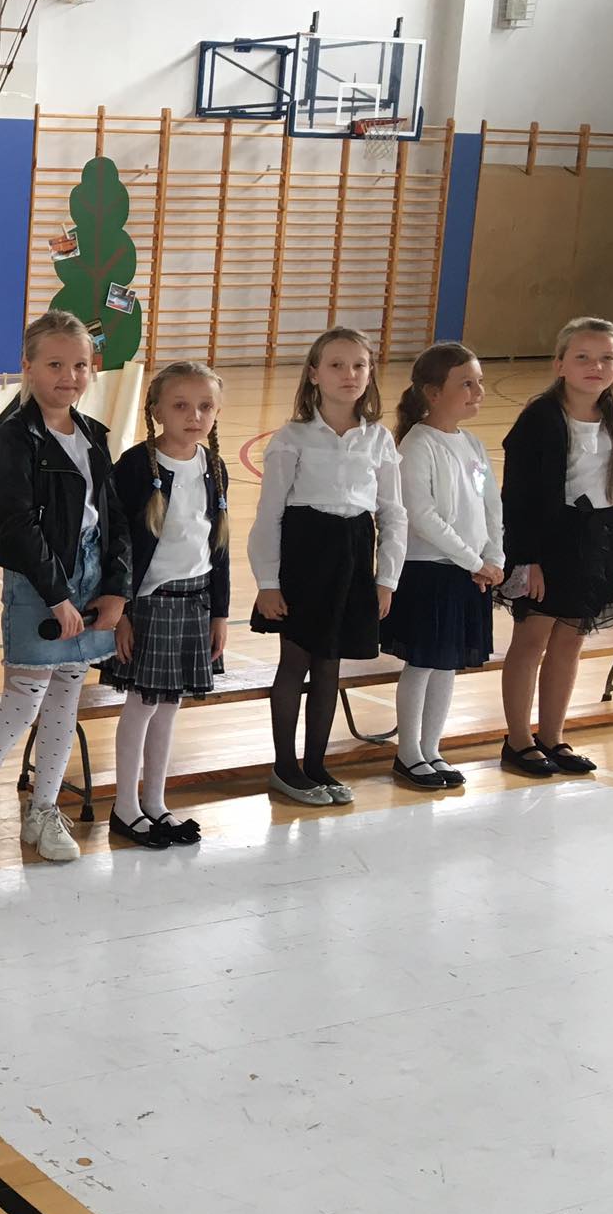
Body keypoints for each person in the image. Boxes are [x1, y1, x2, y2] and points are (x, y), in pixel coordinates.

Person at [0, 312, 130, 868]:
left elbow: (114, 517)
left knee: (66, 700)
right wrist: (57, 597)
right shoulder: (16, 437)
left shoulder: (93, 435)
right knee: (22, 705)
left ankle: (43, 810)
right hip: (39, 579)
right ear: (27, 365)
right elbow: (19, 525)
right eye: (55, 364)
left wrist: (116, 589)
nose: (69, 376)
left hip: (89, 575)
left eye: (80, 365)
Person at [249, 326, 407, 806]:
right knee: (295, 661)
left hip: (354, 556)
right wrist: (268, 581)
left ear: (370, 373)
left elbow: (393, 513)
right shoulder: (292, 438)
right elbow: (269, 515)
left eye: (359, 365)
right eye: (336, 365)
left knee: (329, 665)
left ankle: (316, 765)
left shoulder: (379, 439)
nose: (349, 374)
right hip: (305, 556)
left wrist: (386, 578)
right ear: (314, 374)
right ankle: (285, 767)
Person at [498, 317, 613, 778]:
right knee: (531, 641)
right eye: (582, 357)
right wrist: (527, 559)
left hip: (596, 545)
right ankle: (518, 740)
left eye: (606, 358)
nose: (594, 366)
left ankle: (553, 736)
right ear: (560, 364)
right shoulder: (540, 418)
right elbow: (517, 496)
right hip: (548, 544)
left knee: (570, 642)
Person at [102, 361, 231, 848]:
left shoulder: (214, 466)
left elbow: (218, 546)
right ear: (156, 410)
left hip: (194, 603)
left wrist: (220, 613)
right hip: (149, 605)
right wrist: (122, 613)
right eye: (181, 405)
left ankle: (155, 802)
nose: (194, 416)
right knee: (142, 704)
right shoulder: (136, 466)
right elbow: (115, 544)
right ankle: (125, 806)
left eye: (205, 406)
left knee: (170, 705)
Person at [384, 344, 503, 789]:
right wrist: (474, 560)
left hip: (468, 572)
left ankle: (432, 748)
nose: (478, 392)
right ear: (433, 393)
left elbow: (491, 504)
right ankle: (408, 753)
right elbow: (423, 516)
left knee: (446, 664)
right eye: (466, 384)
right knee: (423, 664)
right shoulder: (418, 445)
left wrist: (494, 558)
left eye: (479, 382)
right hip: (430, 571)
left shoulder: (471, 443)